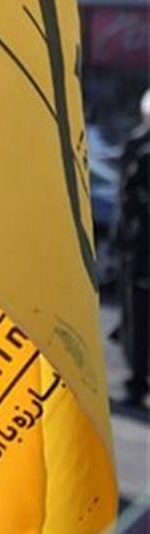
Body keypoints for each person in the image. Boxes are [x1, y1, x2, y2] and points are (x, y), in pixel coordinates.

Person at [116, 90, 150, 408]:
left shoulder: (139, 147)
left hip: (140, 253)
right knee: (136, 320)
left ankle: (137, 382)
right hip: (140, 253)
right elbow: (127, 200)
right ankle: (137, 381)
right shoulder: (140, 147)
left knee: (138, 320)